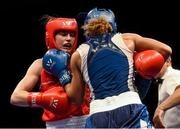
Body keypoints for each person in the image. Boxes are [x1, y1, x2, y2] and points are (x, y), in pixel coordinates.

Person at [42, 8, 172, 128]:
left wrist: (62, 75)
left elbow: (77, 99)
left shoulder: (78, 55)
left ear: (87, 27)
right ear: (113, 25)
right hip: (129, 106)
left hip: (97, 114)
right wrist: (141, 68)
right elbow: (166, 50)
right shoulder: (127, 39)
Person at [10, 15, 90, 128]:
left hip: (85, 121)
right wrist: (42, 99)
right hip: (55, 125)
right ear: (51, 36)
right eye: (63, 34)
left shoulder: (81, 60)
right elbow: (15, 97)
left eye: (72, 34)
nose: (68, 38)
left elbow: (81, 98)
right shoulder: (39, 65)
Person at [152, 57, 180, 128]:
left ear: (168, 61)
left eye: (154, 63)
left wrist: (160, 108)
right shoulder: (164, 79)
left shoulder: (172, 75)